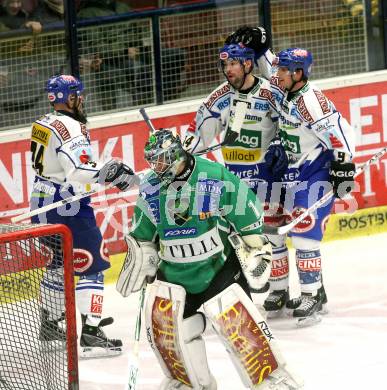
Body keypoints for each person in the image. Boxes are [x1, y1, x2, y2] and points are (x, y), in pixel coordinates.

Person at [116, 129, 304, 390]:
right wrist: (142, 257)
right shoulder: (151, 187)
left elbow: (248, 214)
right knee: (174, 336)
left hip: (219, 270)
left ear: (174, 155)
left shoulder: (213, 177)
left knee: (238, 326)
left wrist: (255, 245)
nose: (156, 167)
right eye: (152, 162)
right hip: (174, 275)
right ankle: (189, 383)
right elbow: (143, 233)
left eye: (160, 160)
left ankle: (271, 381)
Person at [229, 27, 356, 325]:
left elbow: (342, 135)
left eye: (284, 70)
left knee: (303, 234)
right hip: (289, 171)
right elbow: (269, 63)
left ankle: (312, 294)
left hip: (314, 171)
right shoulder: (287, 87)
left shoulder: (311, 102)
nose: (278, 73)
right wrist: (261, 47)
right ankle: (280, 290)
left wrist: (343, 169)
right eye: (280, 68)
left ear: (298, 73)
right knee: (274, 230)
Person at [30, 74, 137, 357]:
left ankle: (50, 325)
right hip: (68, 206)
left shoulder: (43, 121)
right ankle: (91, 332)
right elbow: (78, 171)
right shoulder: (70, 127)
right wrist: (111, 172)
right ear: (71, 98)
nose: (83, 99)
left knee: (58, 263)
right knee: (93, 265)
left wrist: (103, 171)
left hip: (41, 200)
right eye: (79, 94)